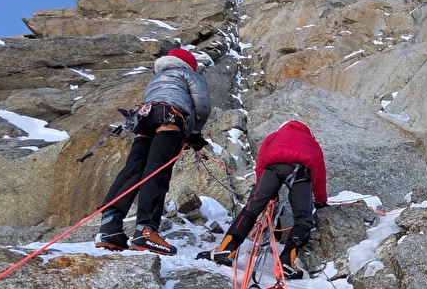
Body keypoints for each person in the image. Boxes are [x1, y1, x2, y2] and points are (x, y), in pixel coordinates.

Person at [95, 48, 211, 256]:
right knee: (157, 171)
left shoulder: (157, 77)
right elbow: (202, 106)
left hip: (143, 120)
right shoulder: (189, 74)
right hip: (169, 119)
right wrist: (194, 133)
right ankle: (145, 231)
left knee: (132, 170)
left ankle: (109, 229)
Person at [207, 120, 327, 277]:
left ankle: (226, 248)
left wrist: (264, 190)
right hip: (301, 171)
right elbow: (319, 174)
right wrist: (320, 200)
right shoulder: (311, 142)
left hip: (273, 169)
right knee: (303, 220)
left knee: (251, 209)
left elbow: (261, 163)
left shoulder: (274, 136)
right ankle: (286, 263)